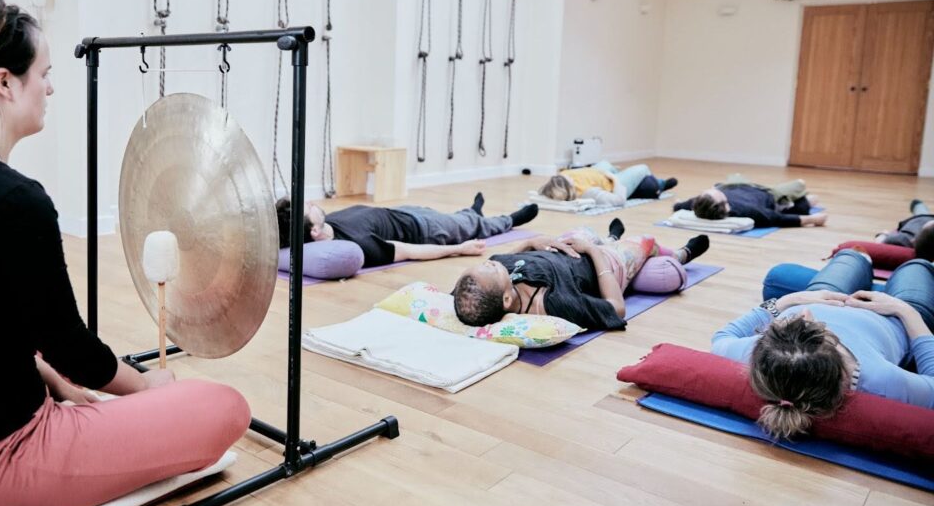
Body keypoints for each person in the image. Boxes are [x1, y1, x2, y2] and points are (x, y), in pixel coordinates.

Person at [0, 0, 250, 506]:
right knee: (224, 407)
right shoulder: (13, 199)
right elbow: (71, 347)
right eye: (43, 74)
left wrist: (50, 379)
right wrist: (148, 387)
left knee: (41, 352)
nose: (49, 87)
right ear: (3, 82)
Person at [712, 249, 934, 439]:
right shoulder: (882, 379)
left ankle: (862, 258)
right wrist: (904, 311)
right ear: (836, 351)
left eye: (791, 321)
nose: (806, 314)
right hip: (893, 318)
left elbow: (722, 337)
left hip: (821, 295)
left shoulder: (755, 355)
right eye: (814, 326)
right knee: (916, 265)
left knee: (852, 254)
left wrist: (790, 300)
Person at [450, 217, 710, 330]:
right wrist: (595, 252)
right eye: (488, 268)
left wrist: (532, 243)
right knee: (645, 241)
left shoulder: (497, 283)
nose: (490, 262)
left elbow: (496, 265)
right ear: (506, 300)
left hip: (564, 248)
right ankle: (680, 254)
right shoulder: (554, 304)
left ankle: (610, 237)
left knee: (583, 229)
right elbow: (616, 308)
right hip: (602, 264)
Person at [276, 194, 539, 268]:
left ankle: (472, 211)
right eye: (306, 207)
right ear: (314, 231)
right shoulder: (356, 245)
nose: (310, 202)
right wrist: (459, 249)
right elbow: (409, 251)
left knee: (460, 218)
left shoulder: (325, 225)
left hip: (402, 211)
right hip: (425, 230)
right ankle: (507, 219)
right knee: (474, 227)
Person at [673, 173, 827, 228]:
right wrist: (811, 219)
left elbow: (682, 205)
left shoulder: (702, 202)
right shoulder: (748, 211)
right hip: (769, 193)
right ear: (725, 206)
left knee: (735, 174)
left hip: (735, 185)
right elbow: (776, 218)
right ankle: (797, 202)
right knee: (802, 185)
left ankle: (800, 201)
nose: (711, 190)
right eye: (715, 192)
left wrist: (677, 205)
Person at [538, 160, 677, 205]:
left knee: (604, 162)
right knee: (642, 168)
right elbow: (619, 199)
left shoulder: (563, 175)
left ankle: (617, 171)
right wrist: (614, 178)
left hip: (598, 172)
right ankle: (661, 184)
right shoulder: (587, 193)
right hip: (611, 182)